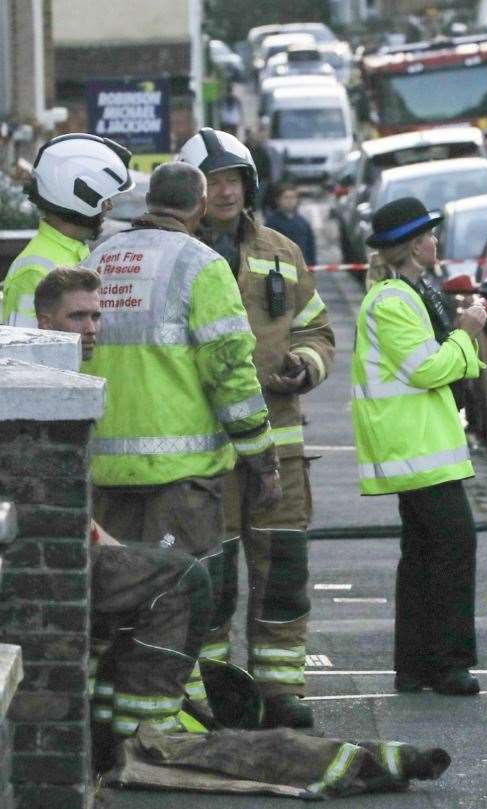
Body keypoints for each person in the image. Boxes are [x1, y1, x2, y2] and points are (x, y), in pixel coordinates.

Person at [80, 161, 280, 705]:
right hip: (180, 479)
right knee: (174, 605)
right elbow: (231, 372)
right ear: (196, 206)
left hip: (104, 471)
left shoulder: (100, 258)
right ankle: (157, 725)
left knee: (114, 604)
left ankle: (106, 723)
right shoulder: (201, 264)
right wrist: (262, 457)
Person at [179, 128, 335, 729]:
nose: (224, 192)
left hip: (281, 442)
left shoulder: (281, 250)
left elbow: (316, 329)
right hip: (207, 449)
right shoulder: (183, 255)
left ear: (249, 186)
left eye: (233, 180)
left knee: (283, 572)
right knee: (212, 576)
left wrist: (306, 363)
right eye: (212, 181)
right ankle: (218, 688)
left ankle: (280, 689)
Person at [34, 266, 214, 767]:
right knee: (185, 580)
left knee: (160, 573)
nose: (91, 328)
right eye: (77, 317)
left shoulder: (72, 375)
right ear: (45, 322)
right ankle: (145, 735)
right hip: (47, 560)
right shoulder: (46, 383)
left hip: (64, 547)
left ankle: (112, 728)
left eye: (96, 315)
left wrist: (108, 541)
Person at [351, 197, 487, 697]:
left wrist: (460, 340)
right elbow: (426, 368)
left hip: (421, 444)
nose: (435, 242)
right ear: (413, 245)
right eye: (429, 236)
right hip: (415, 447)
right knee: (453, 546)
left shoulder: (410, 293)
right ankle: (447, 665)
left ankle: (415, 667)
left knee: (426, 554)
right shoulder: (393, 301)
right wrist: (467, 333)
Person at [2, 133, 132, 327]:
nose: (109, 206)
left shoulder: (74, 254)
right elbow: (25, 352)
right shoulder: (35, 270)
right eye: (105, 197)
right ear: (81, 195)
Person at [265, 182, 317, 266]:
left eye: (293, 198)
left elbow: (310, 247)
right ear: (278, 200)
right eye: (286, 198)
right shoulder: (271, 223)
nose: (290, 201)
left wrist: (311, 265)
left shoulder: (303, 223)